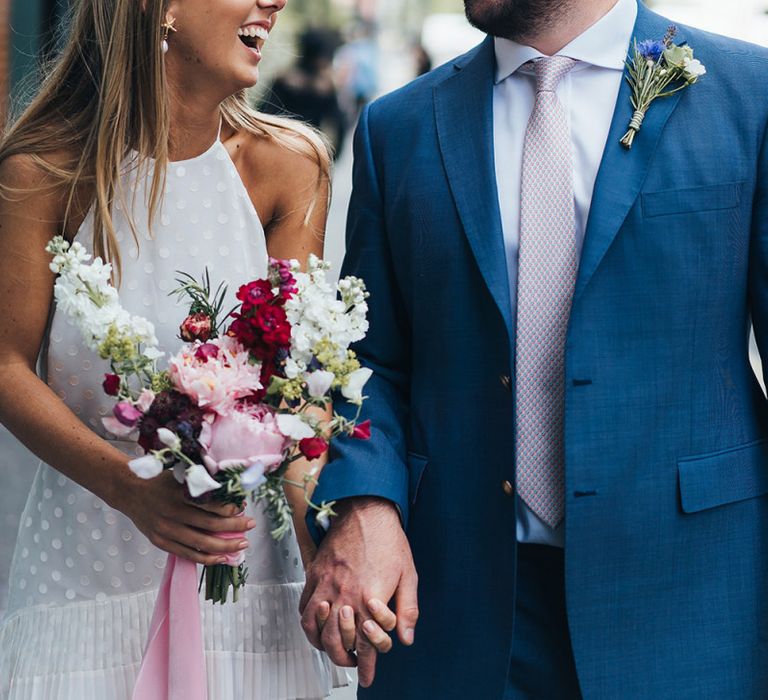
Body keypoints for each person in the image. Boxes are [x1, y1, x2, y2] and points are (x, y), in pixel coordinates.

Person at [299, 0, 768, 697]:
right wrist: (365, 502)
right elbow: (364, 357)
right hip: (452, 607)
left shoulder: (750, 94)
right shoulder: (395, 128)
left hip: (692, 600)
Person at [0, 0, 351, 697]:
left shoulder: (289, 166)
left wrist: (327, 542)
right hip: (90, 563)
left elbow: (293, 390)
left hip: (244, 571)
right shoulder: (41, 171)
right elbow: (5, 362)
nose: (273, 2)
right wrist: (129, 492)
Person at [261, 28, 347, 159]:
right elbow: (339, 124)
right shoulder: (325, 87)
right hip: (309, 151)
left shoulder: (285, 79)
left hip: (279, 147)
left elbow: (263, 112)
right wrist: (331, 157)